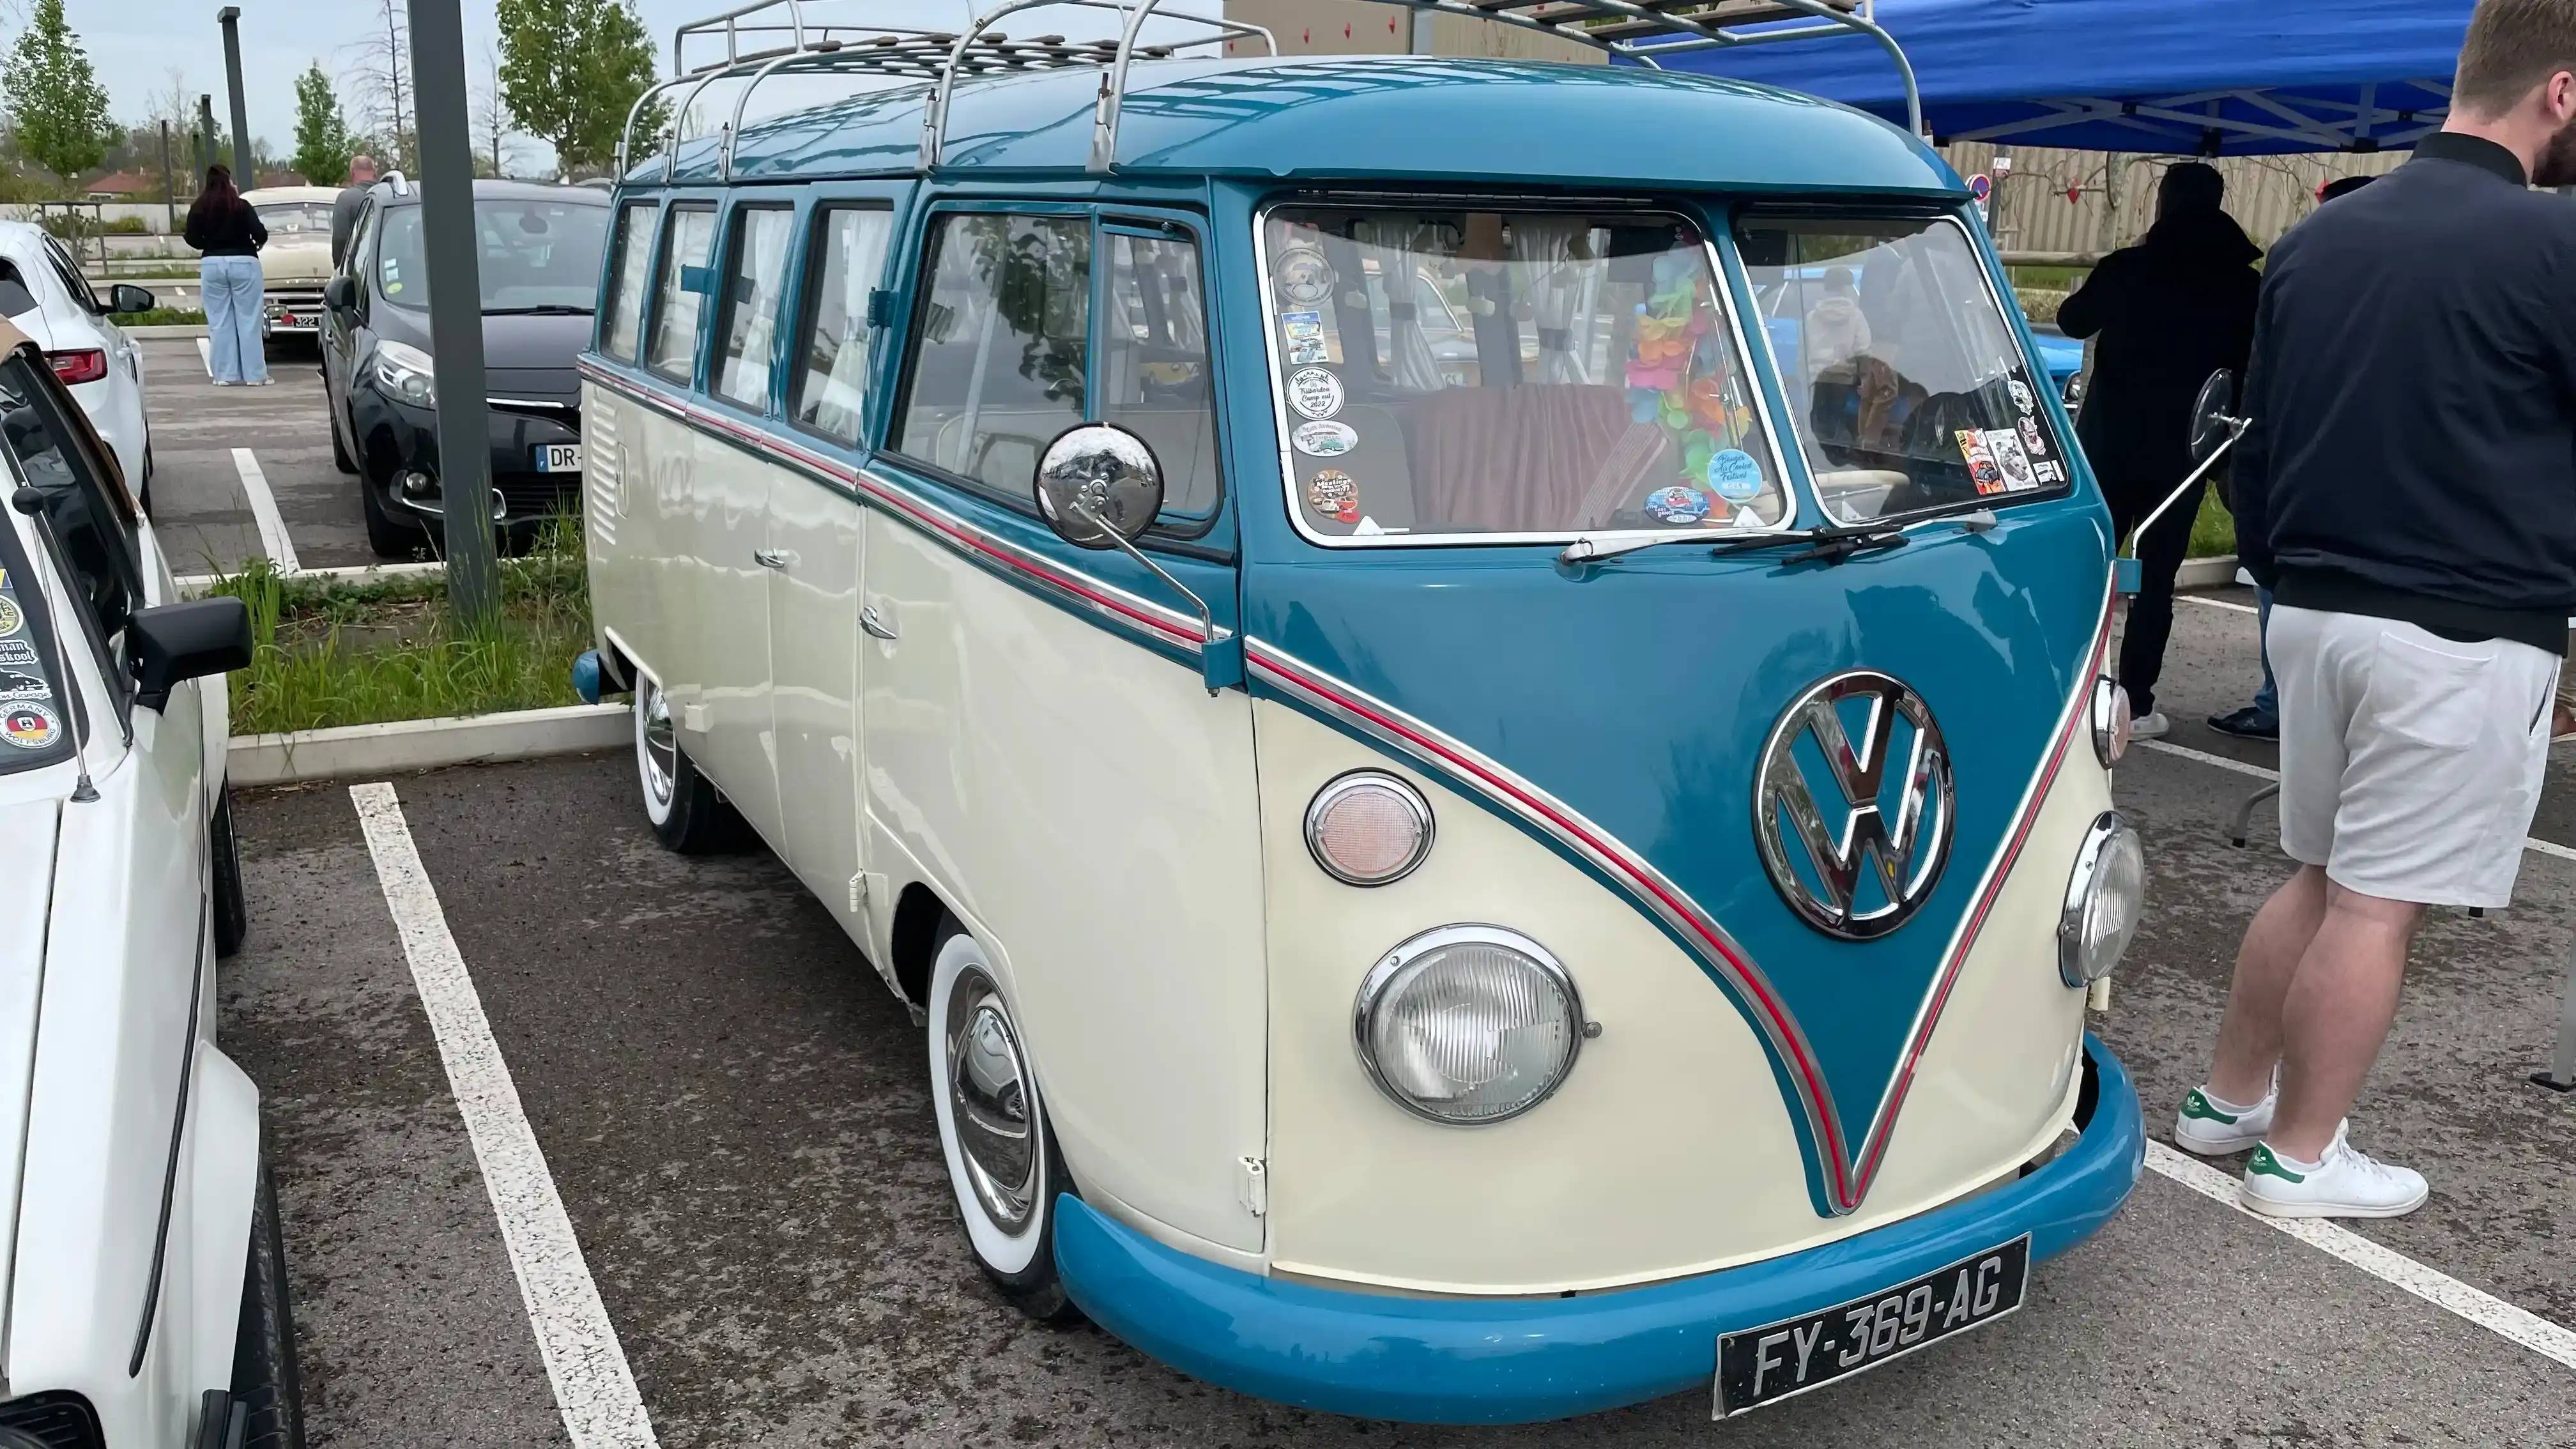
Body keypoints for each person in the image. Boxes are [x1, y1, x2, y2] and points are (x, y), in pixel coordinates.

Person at [2176, 0, 2576, 1219]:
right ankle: (2300, 1155)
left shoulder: (2320, 240)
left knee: (2319, 872)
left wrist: (2278, 567)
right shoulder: (2550, 246)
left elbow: (2258, 433)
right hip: (2459, 619)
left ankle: (2226, 1101)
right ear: (2558, 92)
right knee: (2374, 899)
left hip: (2313, 609)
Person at [2057, 162, 2262, 741]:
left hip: (2112, 440)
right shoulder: (2244, 284)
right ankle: (2137, 701)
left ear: (2162, 204)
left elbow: (2073, 321)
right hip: (2187, 449)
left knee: (2090, 570)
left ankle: (2068, 687)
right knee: (2157, 580)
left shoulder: (2129, 268)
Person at [2209, 174, 2379, 742]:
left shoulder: (2308, 281)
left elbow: (2264, 393)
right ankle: (2292, 705)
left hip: (2303, 481)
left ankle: (2281, 704)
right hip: (2336, 484)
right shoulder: (2372, 291)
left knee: (2284, 596)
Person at [183, 164, 269, 387]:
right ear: (229, 182)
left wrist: (209, 245)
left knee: (219, 320)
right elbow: (261, 233)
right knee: (249, 320)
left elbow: (190, 237)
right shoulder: (241, 206)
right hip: (244, 261)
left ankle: (224, 375)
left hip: (212, 263)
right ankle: (255, 375)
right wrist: (253, 244)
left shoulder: (200, 207)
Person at [1802, 265, 1871, 373]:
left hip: (1818, 378)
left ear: (1826, 287)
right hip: (1847, 379)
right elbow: (1863, 352)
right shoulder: (1856, 316)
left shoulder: (1811, 317)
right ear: (1846, 288)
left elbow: (1803, 357)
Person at [331, 153, 379, 267]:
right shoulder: (391, 196)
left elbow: (340, 239)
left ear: (352, 173)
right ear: (374, 172)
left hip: (360, 269)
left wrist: (341, 271)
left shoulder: (346, 200)